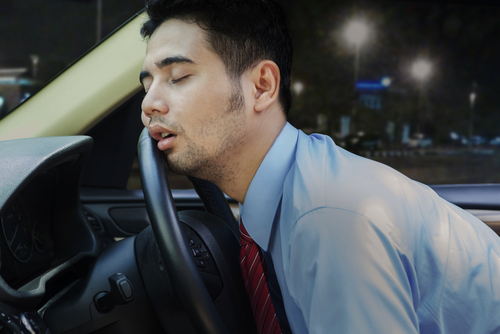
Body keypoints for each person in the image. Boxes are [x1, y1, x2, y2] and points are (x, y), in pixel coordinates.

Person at [139, 0, 500, 333]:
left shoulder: (329, 218)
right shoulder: (281, 193)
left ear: (262, 87)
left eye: (178, 77)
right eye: (147, 83)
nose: (150, 103)